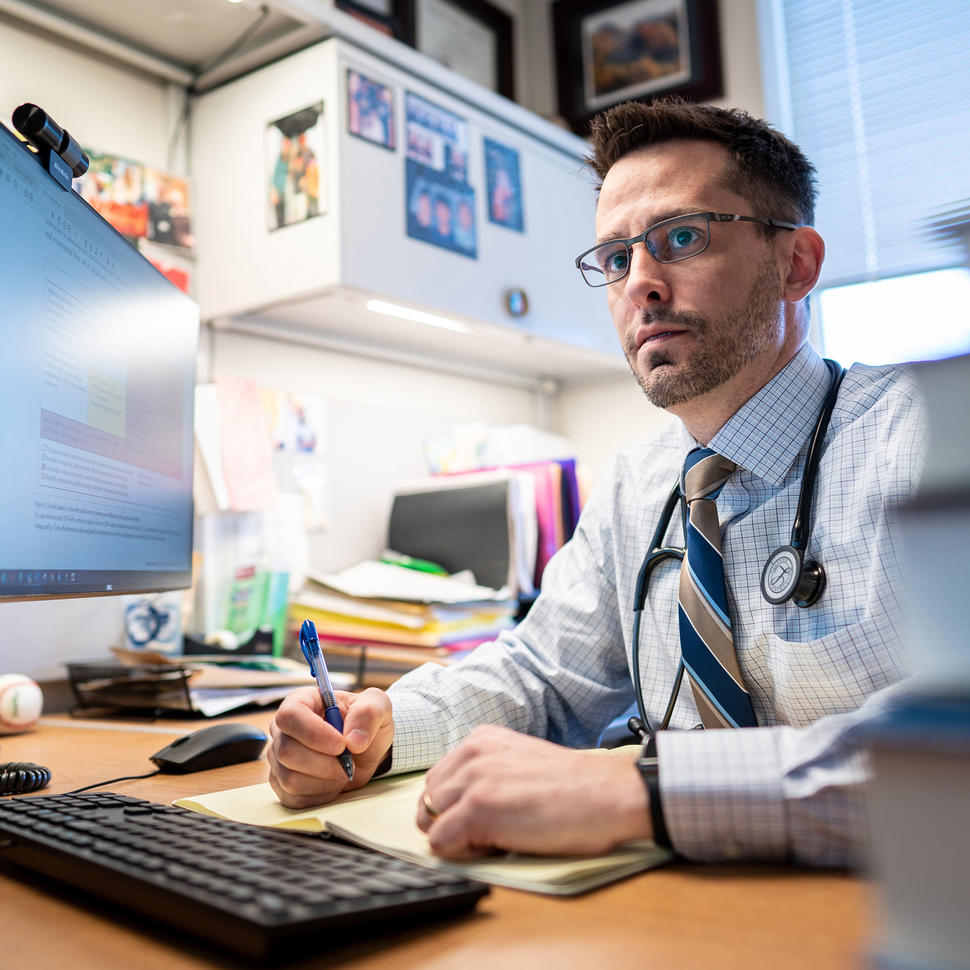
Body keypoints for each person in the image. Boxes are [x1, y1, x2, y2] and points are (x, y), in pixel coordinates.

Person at [267, 99, 925, 867]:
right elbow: (544, 675)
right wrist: (376, 728)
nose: (640, 284)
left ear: (796, 265)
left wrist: (648, 793)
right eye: (616, 259)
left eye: (681, 238)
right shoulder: (638, 487)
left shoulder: (923, 440)